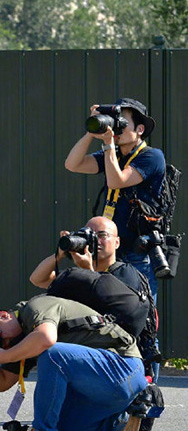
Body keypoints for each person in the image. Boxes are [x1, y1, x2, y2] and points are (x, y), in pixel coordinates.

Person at [0, 295, 148, 431]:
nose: (1, 341)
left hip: (124, 367)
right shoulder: (21, 342)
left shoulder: (35, 307)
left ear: (3, 315)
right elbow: (2, 383)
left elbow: (46, 339)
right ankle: (118, 422)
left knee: (52, 354)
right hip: (101, 389)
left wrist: (4, 355)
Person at [64, 99, 165, 298]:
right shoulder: (114, 155)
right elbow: (72, 164)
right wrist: (91, 133)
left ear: (140, 129)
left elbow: (116, 181)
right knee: (106, 305)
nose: (116, 127)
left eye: (122, 122)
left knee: (138, 309)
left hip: (138, 250)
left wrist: (109, 144)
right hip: (110, 249)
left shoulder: (152, 156)